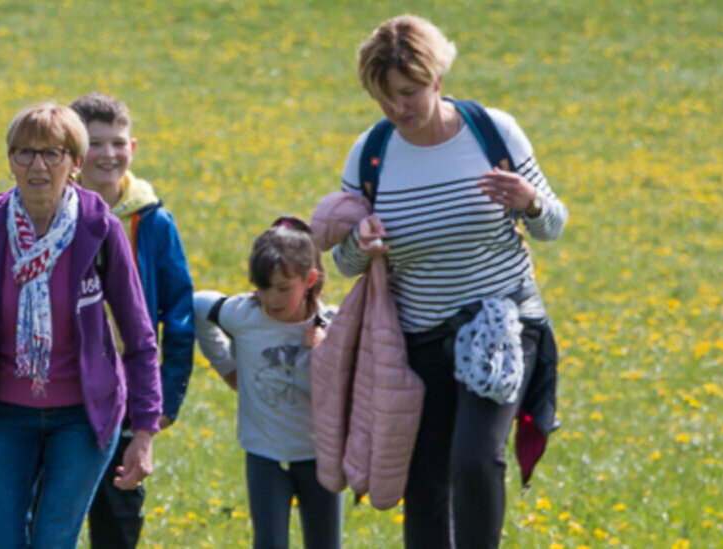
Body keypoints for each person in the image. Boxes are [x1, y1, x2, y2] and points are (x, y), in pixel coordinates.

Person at [335, 15, 568, 549]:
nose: (399, 109)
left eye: (410, 93)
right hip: (418, 338)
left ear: (437, 80)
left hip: (503, 325)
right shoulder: (370, 153)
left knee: (475, 459)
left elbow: (553, 224)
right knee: (425, 481)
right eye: (385, 97)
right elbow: (345, 262)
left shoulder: (493, 132)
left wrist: (529, 201)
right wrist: (361, 243)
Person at [0, 102, 163, 549]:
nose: (38, 165)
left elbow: (140, 339)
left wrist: (143, 434)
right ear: (10, 162)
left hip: (83, 419)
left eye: (53, 153)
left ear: (76, 164)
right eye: (24, 153)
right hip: (6, 417)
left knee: (51, 541)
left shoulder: (100, 230)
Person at [66, 92, 196, 549]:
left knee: (119, 522)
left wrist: (164, 400)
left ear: (133, 148)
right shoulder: (53, 214)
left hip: (125, 395)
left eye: (117, 143)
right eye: (95, 144)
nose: (108, 154)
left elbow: (179, 316)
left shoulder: (154, 223)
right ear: (73, 154)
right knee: (48, 518)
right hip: (61, 392)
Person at [193, 218, 342, 549]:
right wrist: (227, 367)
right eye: (262, 287)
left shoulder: (331, 324)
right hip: (264, 455)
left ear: (310, 280)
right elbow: (197, 306)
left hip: (319, 455)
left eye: (283, 288)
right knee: (269, 542)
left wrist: (325, 347)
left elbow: (356, 379)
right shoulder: (244, 314)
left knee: (326, 543)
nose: (271, 299)